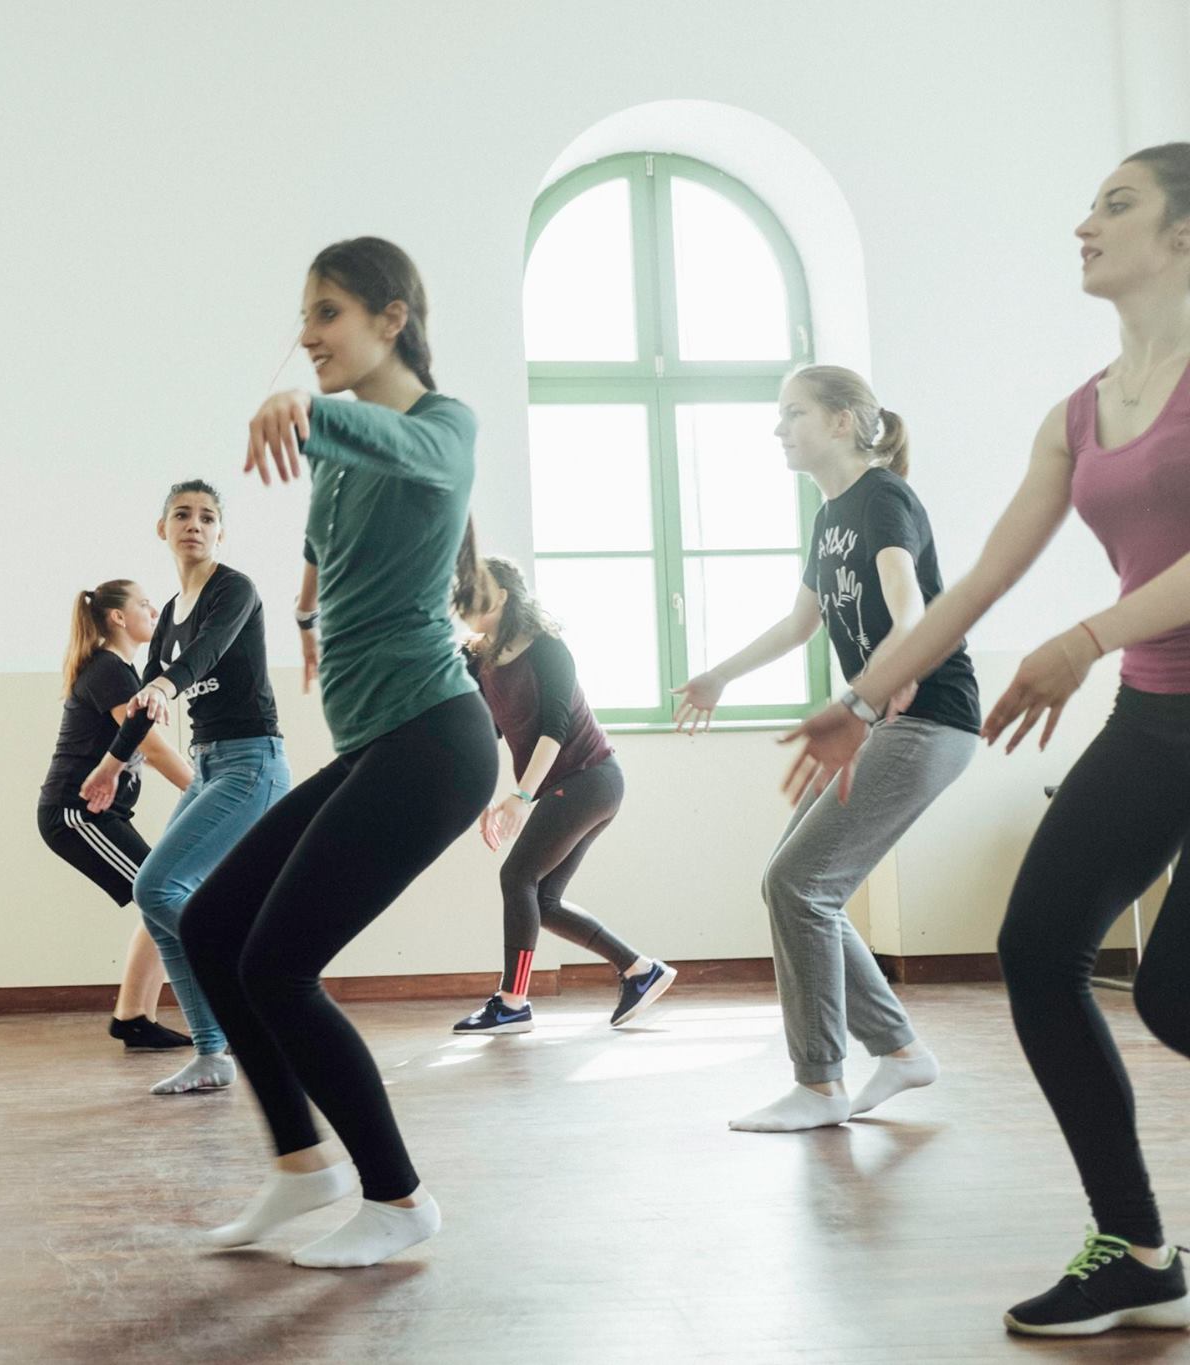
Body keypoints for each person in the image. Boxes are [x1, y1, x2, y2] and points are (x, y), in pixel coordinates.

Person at [782, 144, 1190, 1337]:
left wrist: (1084, 637)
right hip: (1157, 715)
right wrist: (861, 700)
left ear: (1182, 235)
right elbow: (969, 590)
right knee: (1036, 947)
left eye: (1115, 204)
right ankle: (1135, 1251)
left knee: (1173, 997)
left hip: (1137, 680)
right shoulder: (1077, 415)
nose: (1083, 223)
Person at [178, 237, 499, 1269]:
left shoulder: (444, 424)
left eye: (327, 314)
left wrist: (310, 412)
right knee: (210, 923)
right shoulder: (340, 444)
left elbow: (418, 455)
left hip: (436, 741)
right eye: (305, 319)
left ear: (390, 318)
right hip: (376, 743)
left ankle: (397, 1198)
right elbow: (328, 542)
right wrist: (312, 616)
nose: (308, 337)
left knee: (278, 966)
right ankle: (299, 1166)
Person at [676, 363, 978, 1133]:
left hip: (928, 718)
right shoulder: (830, 515)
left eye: (794, 413)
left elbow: (910, 613)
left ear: (842, 421)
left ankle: (820, 1084)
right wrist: (719, 674)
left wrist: (866, 697)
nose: (778, 428)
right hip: (881, 720)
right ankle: (900, 1050)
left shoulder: (884, 497)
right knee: (795, 883)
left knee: (799, 884)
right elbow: (800, 623)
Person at [80, 480, 290, 1095]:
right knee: (155, 896)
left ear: (220, 532)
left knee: (157, 886)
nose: (194, 524)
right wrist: (112, 765)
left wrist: (164, 686)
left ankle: (246, 980)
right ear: (163, 528)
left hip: (253, 763)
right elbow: (141, 707)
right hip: (210, 767)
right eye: (182, 514)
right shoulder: (170, 612)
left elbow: (206, 653)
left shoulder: (235, 589)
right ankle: (212, 1054)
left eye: (206, 517)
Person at [446, 555, 673, 1036]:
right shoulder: (476, 659)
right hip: (568, 786)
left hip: (593, 779)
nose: (463, 598)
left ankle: (513, 1002)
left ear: (502, 596)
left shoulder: (548, 649)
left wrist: (520, 796)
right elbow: (485, 734)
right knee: (543, 898)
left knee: (517, 877)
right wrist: (487, 798)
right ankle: (639, 970)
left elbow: (556, 728)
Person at [38, 579, 197, 1051]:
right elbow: (153, 747)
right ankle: (138, 1016)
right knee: (164, 895)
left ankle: (134, 1017)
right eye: (144, 604)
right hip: (77, 814)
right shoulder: (107, 669)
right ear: (118, 618)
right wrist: (206, 791)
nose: (154, 610)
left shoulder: (121, 670)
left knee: (159, 897)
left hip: (100, 815)